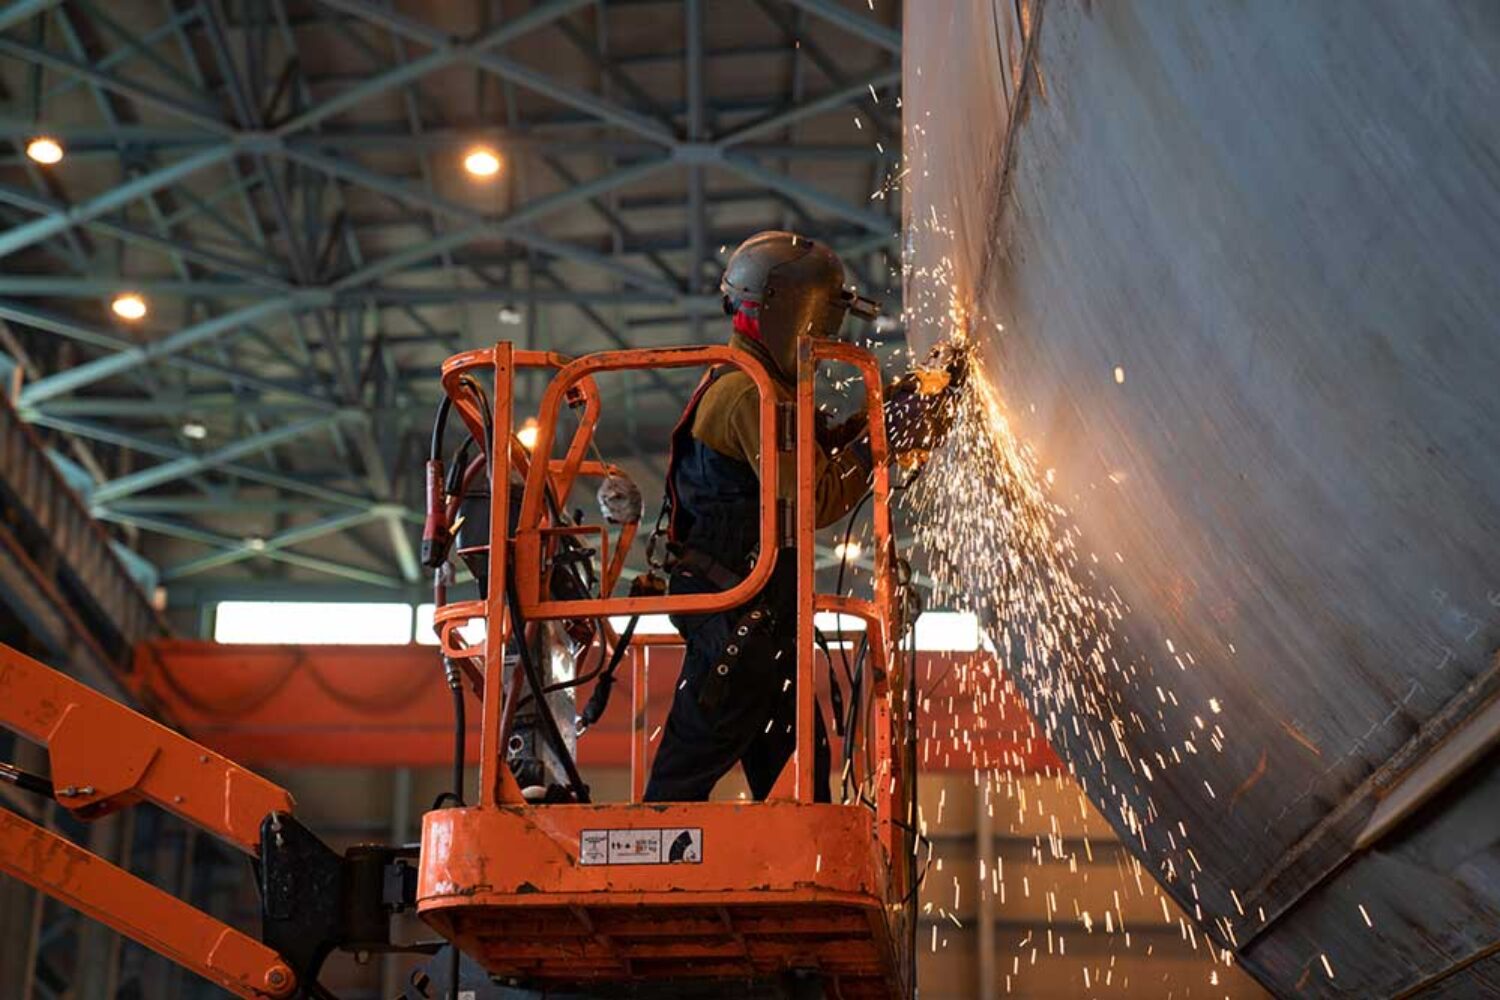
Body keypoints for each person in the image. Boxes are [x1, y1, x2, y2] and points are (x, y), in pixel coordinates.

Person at [644, 231, 938, 803]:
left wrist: (876, 420)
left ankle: (806, 881)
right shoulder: (749, 395)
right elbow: (816, 498)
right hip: (741, 625)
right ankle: (641, 875)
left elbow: (811, 465)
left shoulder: (762, 386)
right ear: (783, 311)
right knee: (688, 771)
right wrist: (881, 443)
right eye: (820, 321)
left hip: (759, 622)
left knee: (799, 769)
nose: (825, 338)